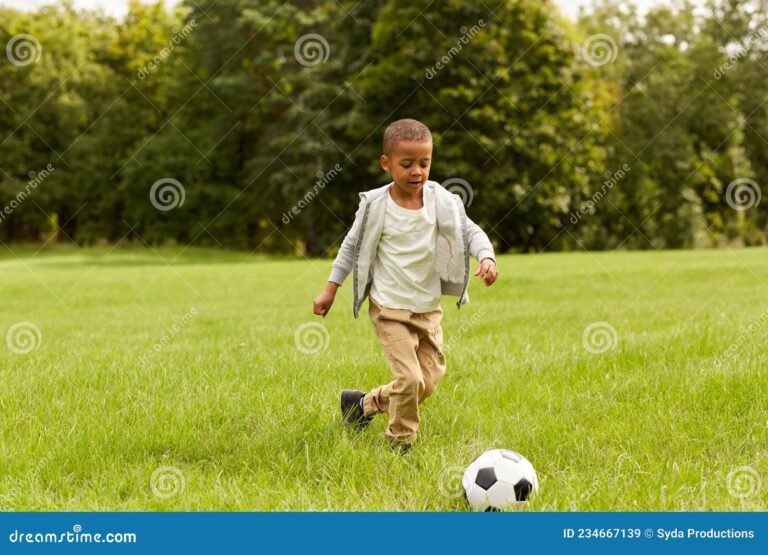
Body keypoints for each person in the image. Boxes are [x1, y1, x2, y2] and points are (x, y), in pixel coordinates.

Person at [312, 118, 498, 453]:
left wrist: (486, 257)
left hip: (428, 308)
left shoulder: (441, 200)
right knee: (410, 380)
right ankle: (400, 441)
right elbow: (350, 248)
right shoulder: (376, 206)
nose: (417, 171)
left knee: (425, 383)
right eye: (407, 164)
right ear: (387, 163)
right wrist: (331, 288)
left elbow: (470, 231)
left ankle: (363, 405)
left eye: (424, 163)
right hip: (390, 308)